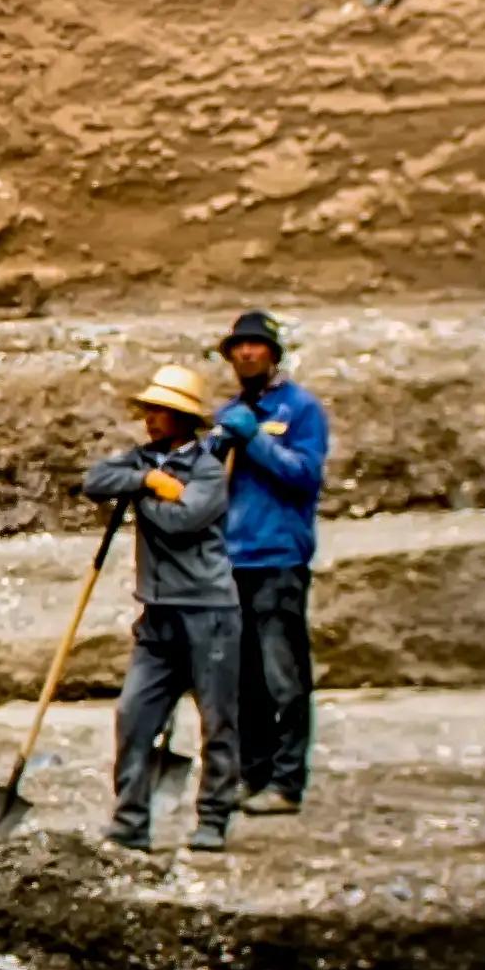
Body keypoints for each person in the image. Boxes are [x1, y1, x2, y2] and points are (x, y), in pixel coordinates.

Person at [78, 380, 250, 852]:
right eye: (149, 410)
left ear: (184, 419)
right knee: (134, 716)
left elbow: (183, 520)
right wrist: (146, 481)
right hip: (158, 616)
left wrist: (140, 496)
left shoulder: (209, 471)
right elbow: (95, 481)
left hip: (209, 614)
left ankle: (213, 818)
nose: (151, 419)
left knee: (218, 722)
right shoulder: (142, 460)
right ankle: (131, 821)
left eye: (161, 411)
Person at [205, 310, 329, 811]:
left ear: (273, 353)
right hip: (233, 560)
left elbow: (304, 474)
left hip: (278, 558)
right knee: (243, 679)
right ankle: (250, 775)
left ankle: (286, 782)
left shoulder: (300, 409)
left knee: (284, 676)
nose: (247, 353)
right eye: (239, 346)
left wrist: (254, 439)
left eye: (257, 345)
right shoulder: (229, 413)